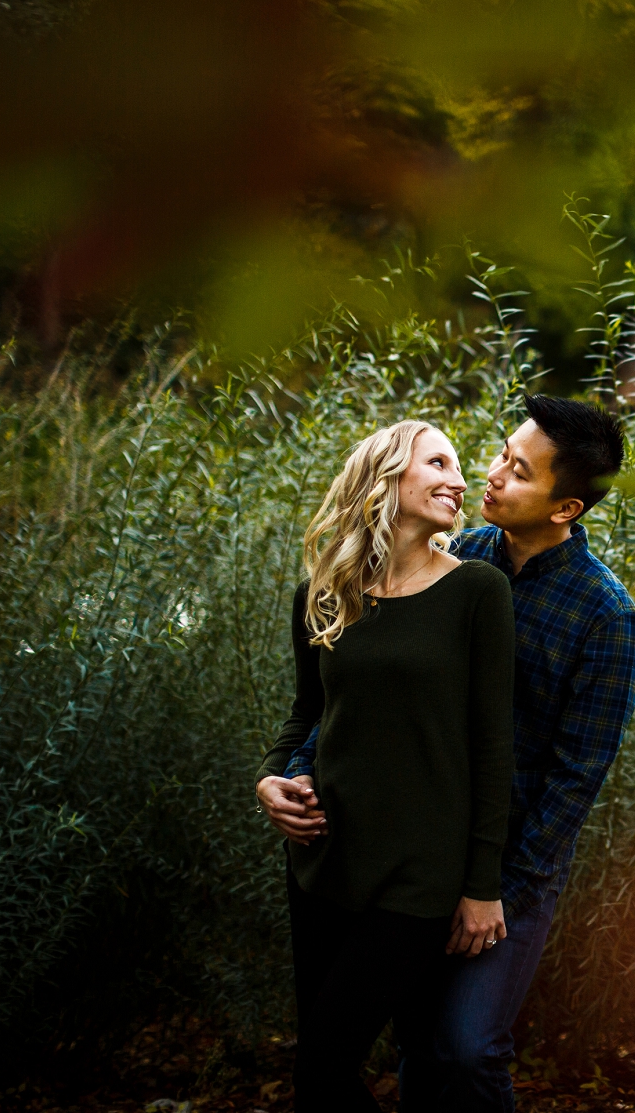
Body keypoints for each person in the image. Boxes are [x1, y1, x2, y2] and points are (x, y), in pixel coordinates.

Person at [278, 395, 635, 1112]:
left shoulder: (603, 613)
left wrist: (491, 887)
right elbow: (362, 698)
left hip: (510, 863)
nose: (494, 473)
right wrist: (292, 770)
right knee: (417, 1037)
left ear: (565, 506)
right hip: (418, 848)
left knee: (466, 1045)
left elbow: (575, 776)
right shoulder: (457, 556)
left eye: (520, 470)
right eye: (503, 453)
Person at [254, 421, 516, 1113]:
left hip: (418, 879)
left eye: (459, 466)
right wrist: (271, 776)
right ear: (387, 473)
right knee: (323, 1076)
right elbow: (308, 708)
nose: (458, 479)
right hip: (321, 859)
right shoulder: (322, 589)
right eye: (438, 461)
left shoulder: (479, 591)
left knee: (323, 1064)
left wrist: (481, 883)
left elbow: (494, 745)